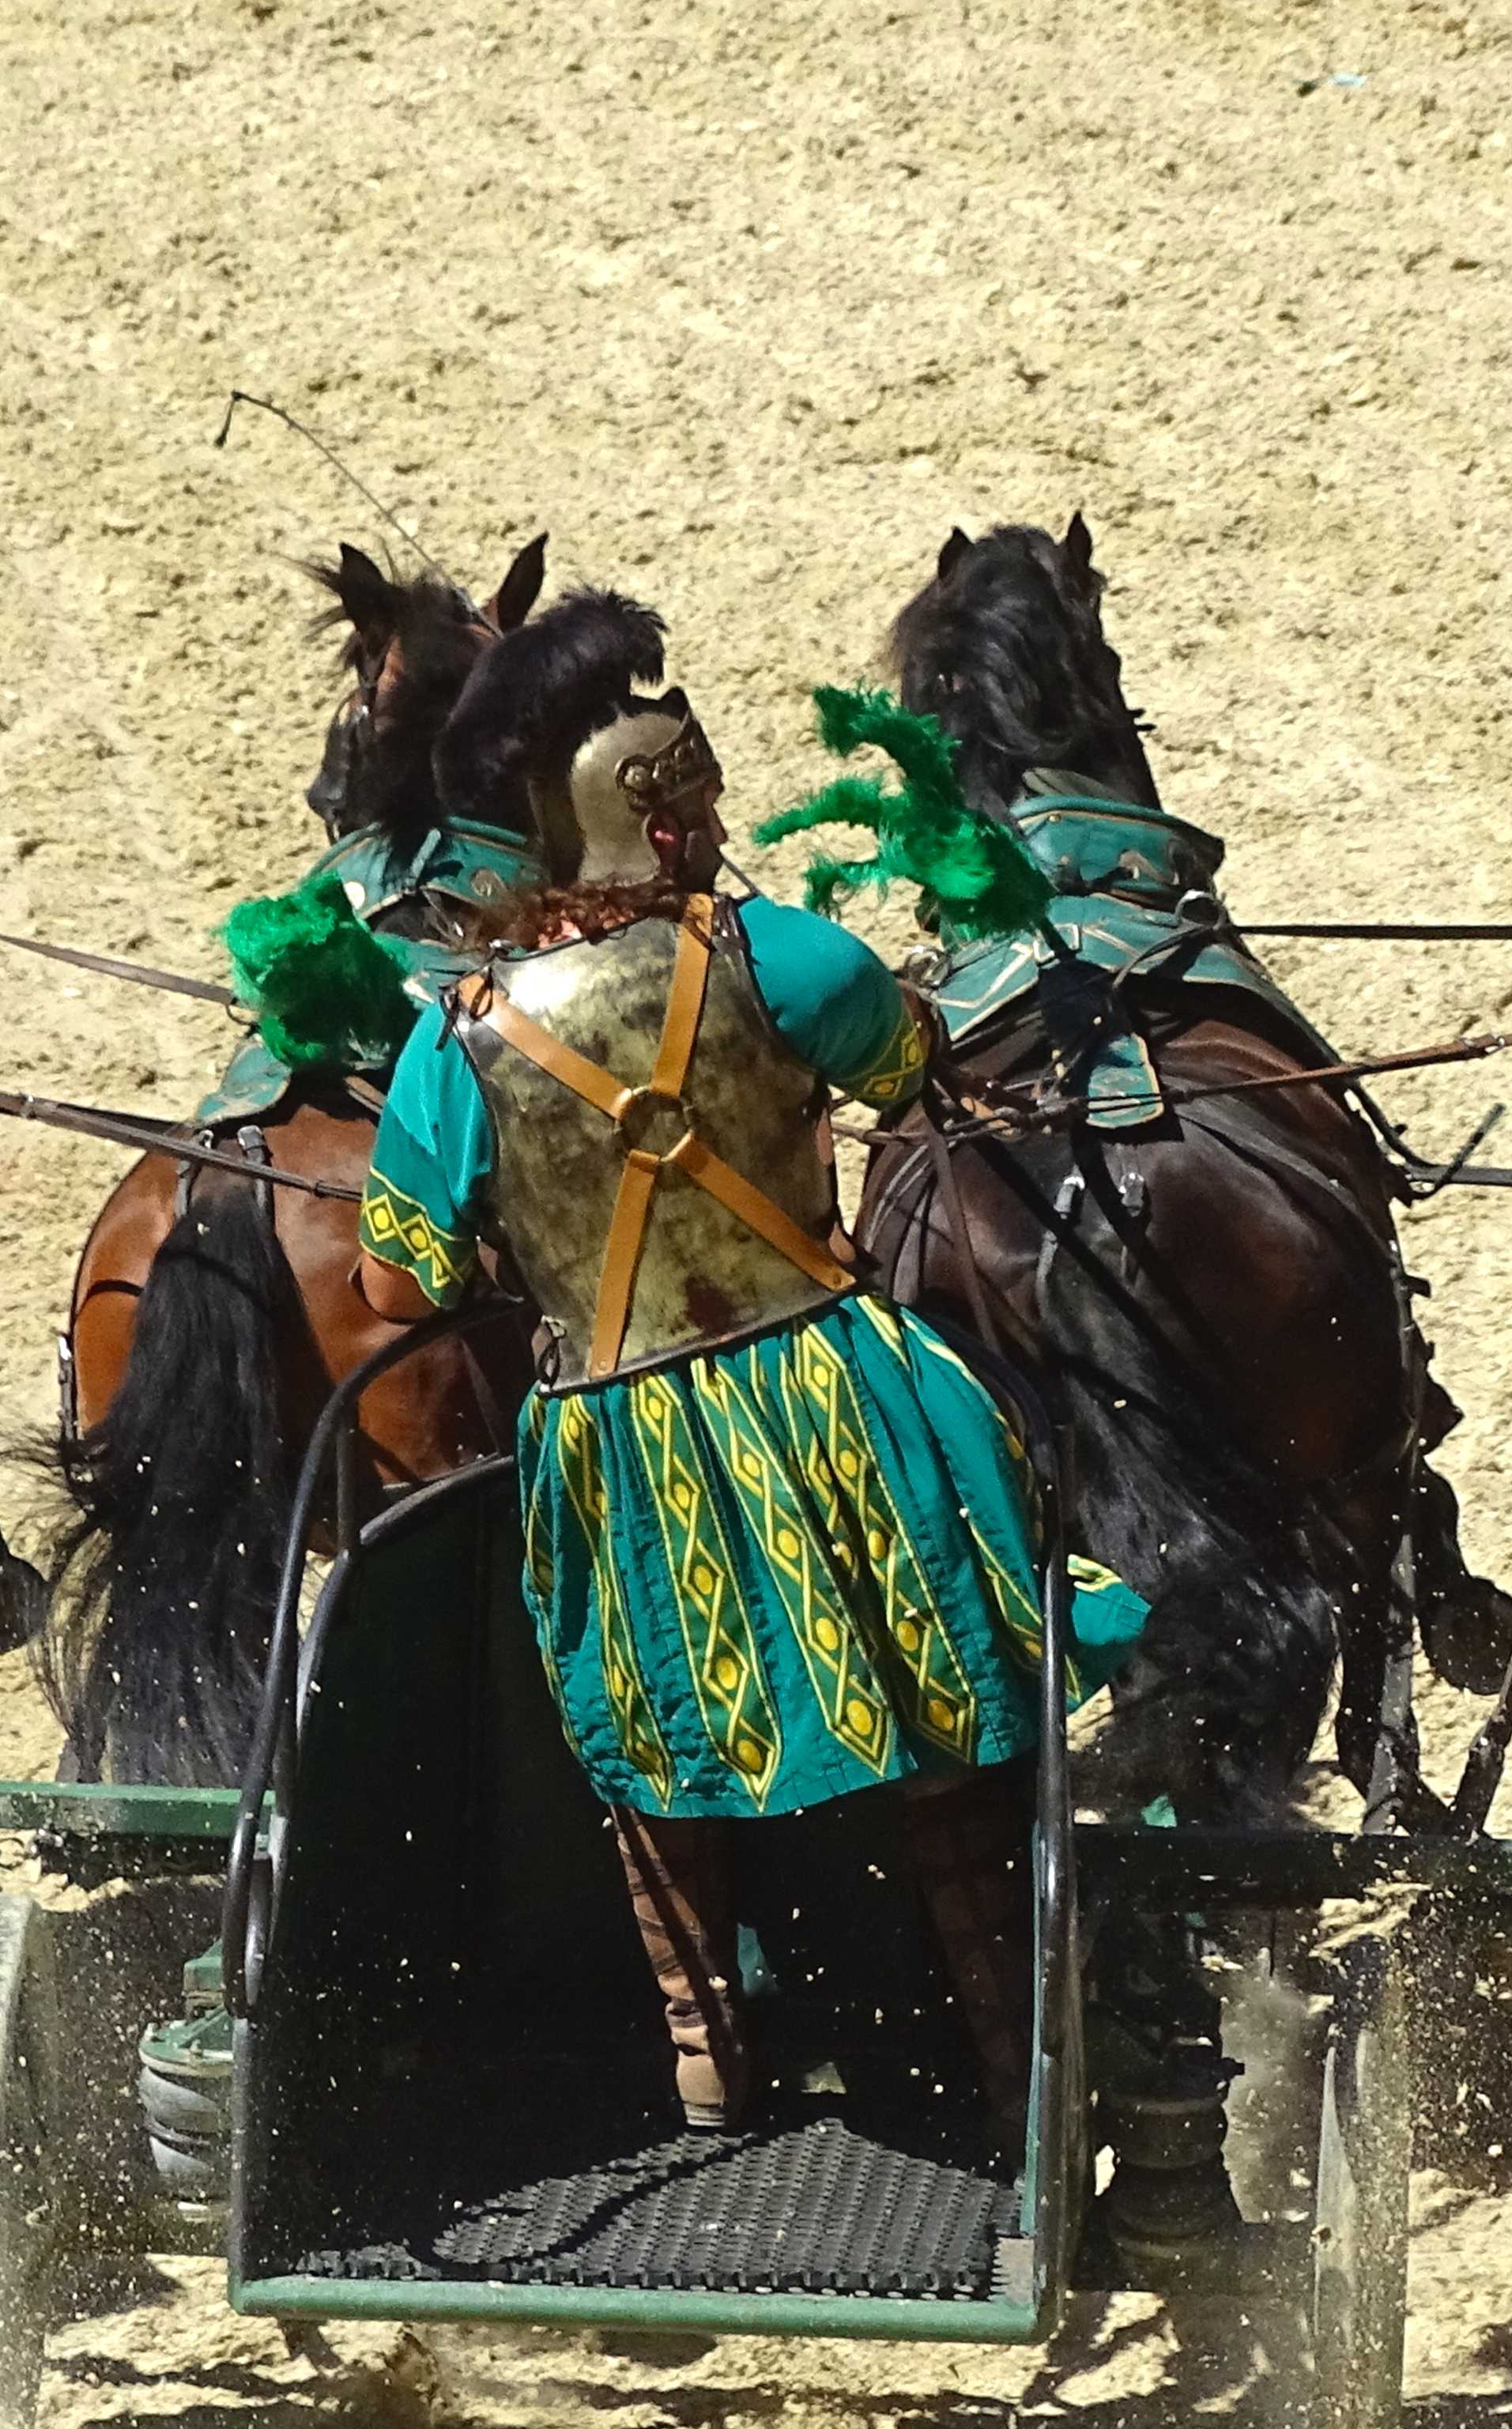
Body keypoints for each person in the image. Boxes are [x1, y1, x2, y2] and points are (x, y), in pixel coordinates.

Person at [356, 587, 1146, 2149]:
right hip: (832, 1396)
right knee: (945, 1746)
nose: (715, 818)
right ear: (657, 817)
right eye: (701, 792)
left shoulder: (457, 1040)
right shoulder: (788, 954)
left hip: (621, 1440)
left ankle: (707, 2057)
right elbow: (906, 1070)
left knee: (652, 1761)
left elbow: (400, 1274)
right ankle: (1012, 2062)